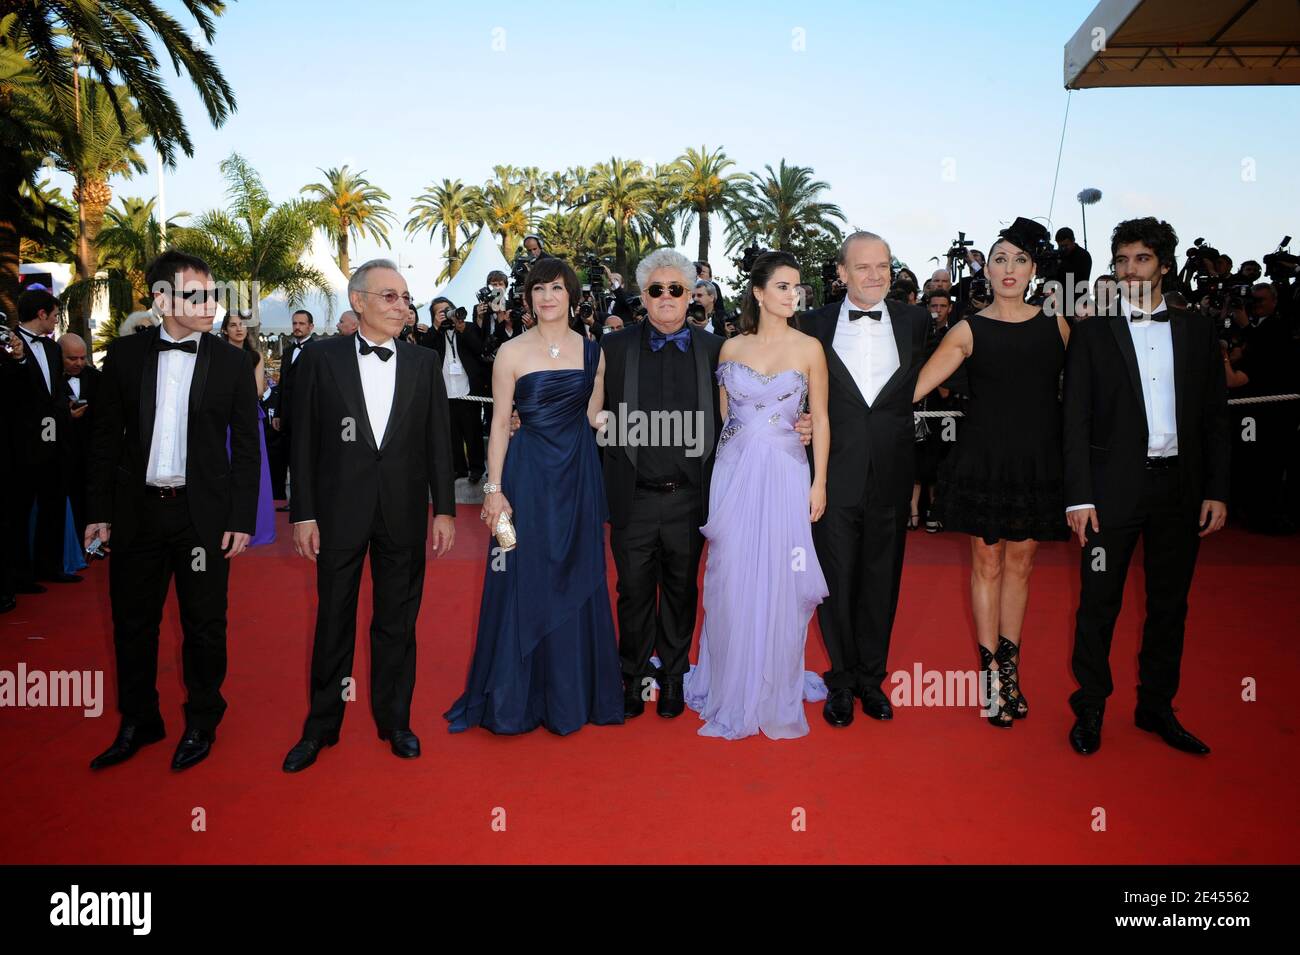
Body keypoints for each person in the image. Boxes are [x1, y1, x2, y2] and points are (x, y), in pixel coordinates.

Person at [85, 250, 261, 771]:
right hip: (137, 512)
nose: (210, 305)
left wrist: (240, 519)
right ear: (161, 300)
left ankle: (203, 718)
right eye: (196, 295)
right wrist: (98, 510)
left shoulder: (231, 360)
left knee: (205, 625)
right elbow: (102, 441)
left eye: (213, 294)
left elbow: (247, 447)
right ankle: (140, 720)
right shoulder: (122, 356)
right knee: (132, 624)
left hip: (201, 516)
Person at [1064, 217, 1229, 757]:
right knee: (1098, 603)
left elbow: (1214, 417)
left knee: (1169, 605)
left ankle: (1156, 707)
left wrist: (1217, 489)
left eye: (1141, 259)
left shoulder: (1199, 331)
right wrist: (1081, 496)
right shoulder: (1092, 333)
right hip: (1111, 494)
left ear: (1163, 264)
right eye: (1121, 260)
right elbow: (1076, 421)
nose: (1130, 270)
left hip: (1179, 491)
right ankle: (1089, 706)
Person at [281, 260, 456, 771]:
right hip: (337, 512)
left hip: (402, 512)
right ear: (358, 302)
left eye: (405, 298)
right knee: (333, 619)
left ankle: (395, 720)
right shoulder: (320, 358)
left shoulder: (423, 363)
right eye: (390, 297)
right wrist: (304, 512)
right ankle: (321, 727)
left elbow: (438, 443)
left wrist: (443, 509)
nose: (403, 306)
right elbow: (303, 440)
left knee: (397, 622)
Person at [445, 257, 622, 735]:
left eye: (557, 288)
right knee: (521, 570)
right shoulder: (511, 353)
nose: (547, 297)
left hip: (578, 476)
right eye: (538, 289)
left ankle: (573, 694)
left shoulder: (593, 353)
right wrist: (494, 491)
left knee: (578, 572)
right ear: (528, 298)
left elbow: (592, 416)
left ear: (572, 296)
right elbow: (499, 425)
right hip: (527, 477)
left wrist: (611, 423)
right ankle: (517, 697)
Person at [914, 218, 1071, 727]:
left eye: (1019, 260)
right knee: (987, 564)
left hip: (1038, 463)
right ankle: (990, 678)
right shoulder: (968, 328)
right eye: (1000, 258)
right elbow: (912, 389)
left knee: (1022, 567)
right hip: (983, 461)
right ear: (988, 267)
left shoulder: (1059, 325)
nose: (1009, 269)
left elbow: (1092, 394)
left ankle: (1011, 674)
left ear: (1033, 270)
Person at [685, 251, 830, 739]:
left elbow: (822, 419)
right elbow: (727, 422)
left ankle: (772, 687)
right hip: (735, 474)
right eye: (784, 286)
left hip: (788, 474)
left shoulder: (810, 348)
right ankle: (729, 680)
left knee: (784, 579)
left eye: (798, 287)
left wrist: (819, 481)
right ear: (759, 292)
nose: (794, 295)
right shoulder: (730, 349)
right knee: (729, 578)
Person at [797, 231, 932, 727]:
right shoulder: (811, 324)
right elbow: (795, 384)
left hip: (893, 472)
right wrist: (799, 421)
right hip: (832, 472)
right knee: (836, 580)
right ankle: (842, 679)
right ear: (841, 273)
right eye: (863, 267)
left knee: (882, 577)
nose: (875, 276)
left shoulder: (915, 321)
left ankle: (872, 680)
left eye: (884, 266)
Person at [13, 289, 79, 586]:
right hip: (21, 443)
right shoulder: (9, 344)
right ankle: (20, 574)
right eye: (54, 316)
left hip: (55, 441)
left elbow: (56, 389)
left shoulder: (53, 349)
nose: (56, 321)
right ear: (41, 314)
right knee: (20, 509)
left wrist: (67, 407)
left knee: (53, 503)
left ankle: (49, 566)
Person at [221, 311, 276, 547]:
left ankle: (254, 527)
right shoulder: (217, 354)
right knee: (224, 468)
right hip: (221, 419)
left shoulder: (255, 356)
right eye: (233, 325)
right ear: (225, 330)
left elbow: (257, 391)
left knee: (253, 469)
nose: (238, 329)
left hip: (248, 416)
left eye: (242, 324)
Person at [427, 298, 489, 482]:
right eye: (440, 312)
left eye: (448, 310)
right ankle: (459, 468)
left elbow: (480, 349)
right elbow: (425, 350)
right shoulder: (434, 334)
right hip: (444, 391)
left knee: (473, 432)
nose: (445, 314)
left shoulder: (467, 327)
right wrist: (436, 327)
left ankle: (477, 469)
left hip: (468, 390)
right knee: (452, 433)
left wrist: (462, 330)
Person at [270, 308, 316, 510]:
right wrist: (278, 413)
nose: (297, 327)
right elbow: (282, 385)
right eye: (295, 323)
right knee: (288, 459)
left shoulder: (318, 351)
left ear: (310, 327)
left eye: (301, 324)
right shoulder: (288, 351)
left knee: (304, 461)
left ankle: (304, 503)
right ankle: (290, 501)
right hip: (287, 417)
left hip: (307, 417)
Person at [59, 332, 99, 542]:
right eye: (72, 358)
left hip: (92, 453)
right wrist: (66, 417)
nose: (79, 363)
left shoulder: (96, 378)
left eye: (83, 358)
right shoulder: (51, 379)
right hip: (62, 455)